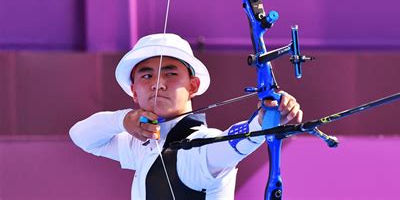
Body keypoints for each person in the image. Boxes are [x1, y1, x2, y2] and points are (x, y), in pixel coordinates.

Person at [69, 33, 303, 200]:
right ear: (134, 91)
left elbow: (235, 142)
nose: (158, 84)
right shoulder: (143, 144)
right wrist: (123, 120)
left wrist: (266, 119)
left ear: (193, 86)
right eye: (146, 76)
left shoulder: (202, 146)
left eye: (170, 73)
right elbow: (81, 136)